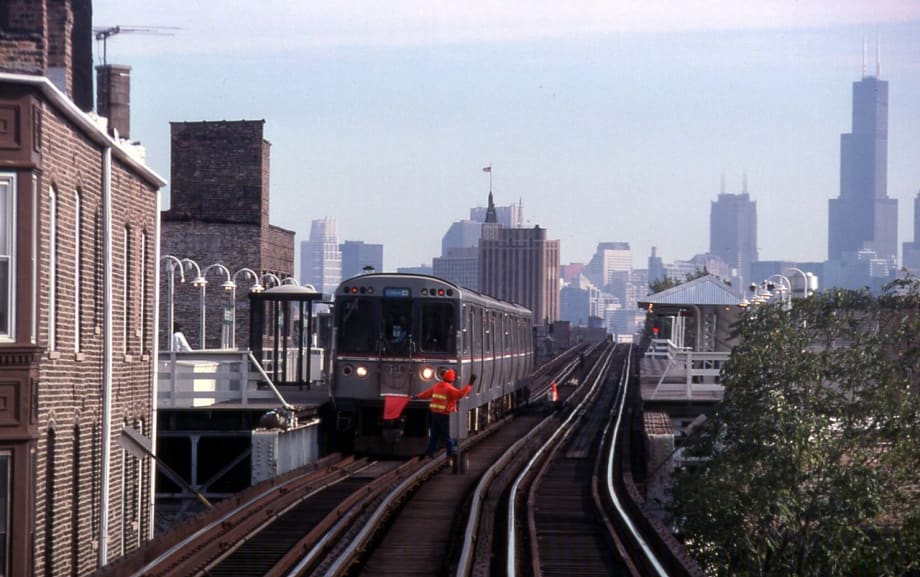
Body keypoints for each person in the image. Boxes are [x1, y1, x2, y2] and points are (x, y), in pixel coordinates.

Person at [415, 369, 475, 460]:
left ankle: (430, 452)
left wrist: (417, 396)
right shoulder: (450, 389)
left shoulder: (437, 386)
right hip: (445, 415)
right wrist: (470, 385)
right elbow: (460, 394)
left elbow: (427, 393)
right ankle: (450, 453)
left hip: (435, 414)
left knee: (434, 434)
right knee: (448, 435)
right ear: (452, 379)